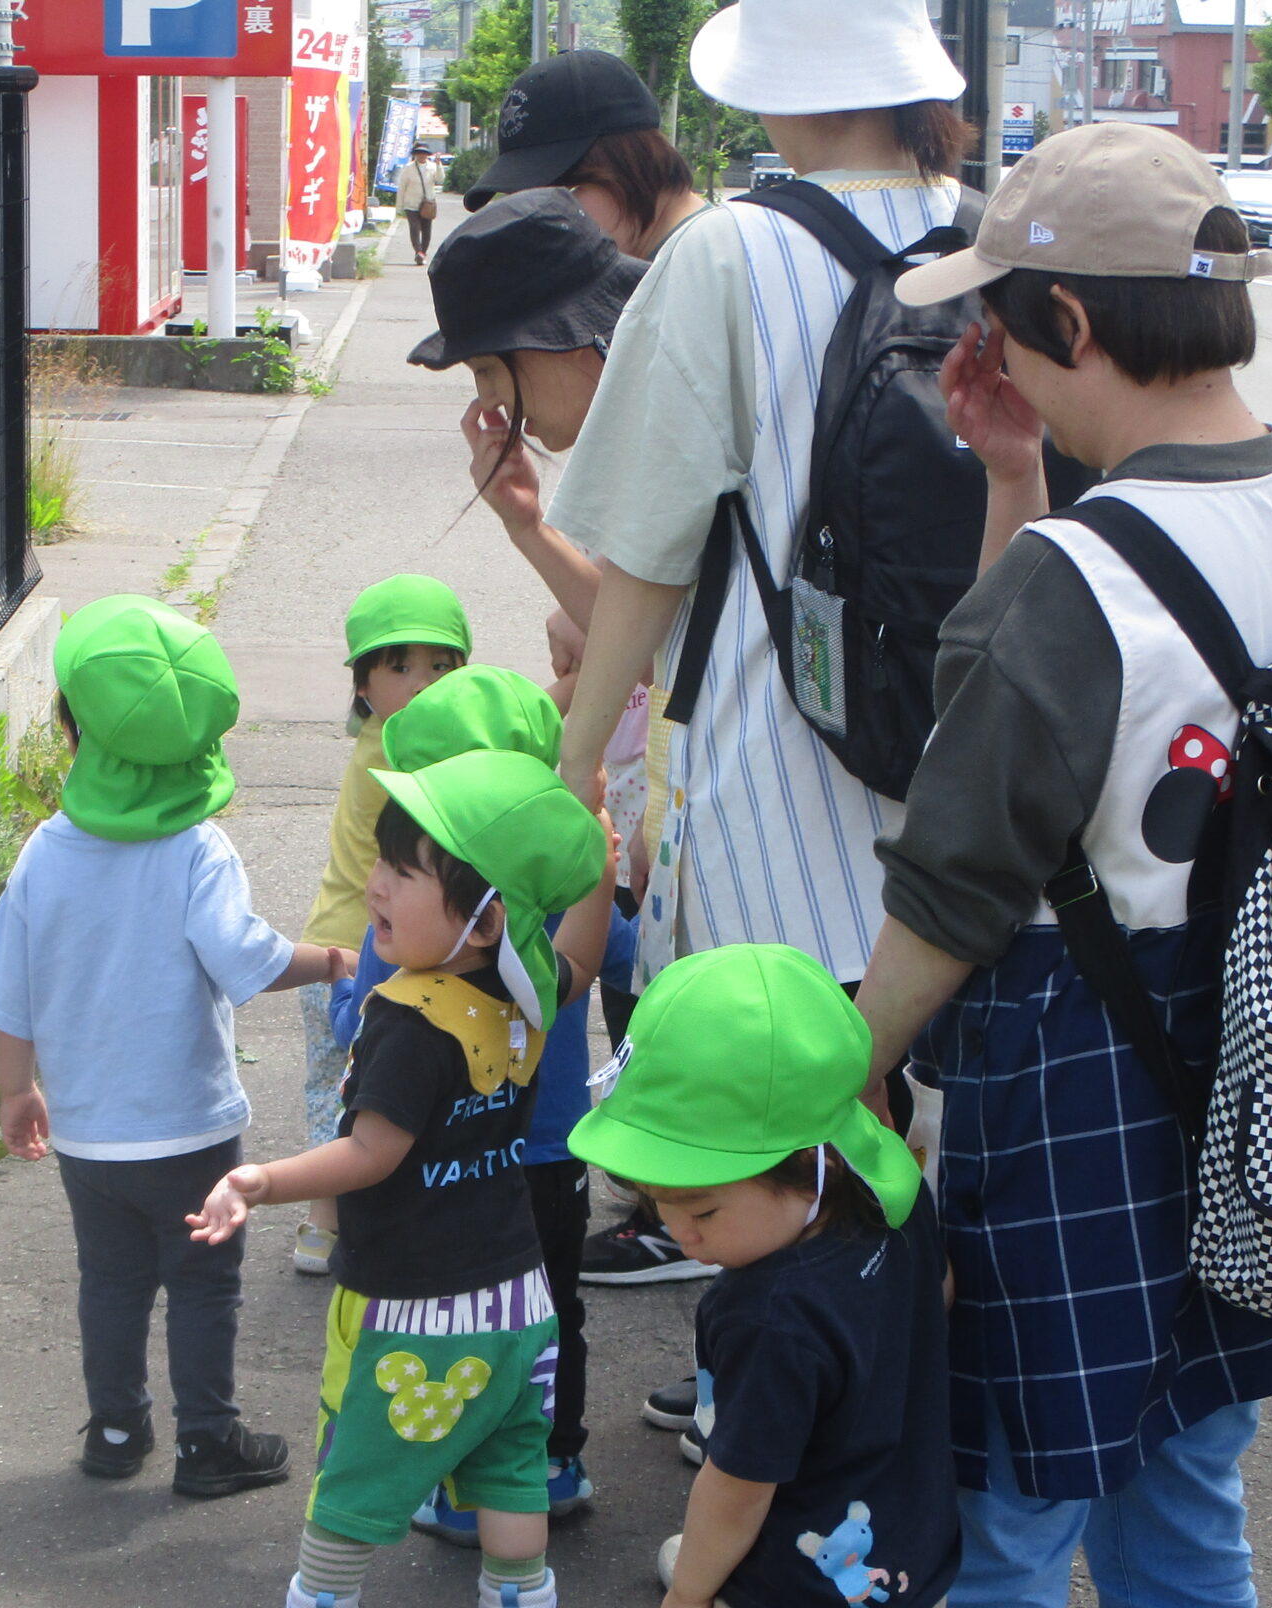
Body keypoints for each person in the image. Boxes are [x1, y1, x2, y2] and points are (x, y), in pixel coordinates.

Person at [848, 124, 1272, 1608]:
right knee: (1184, 1494)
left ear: (1069, 318)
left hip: (1077, 1080)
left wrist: (836, 1078)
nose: (990, 349)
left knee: (1005, 1530)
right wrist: (1022, 475)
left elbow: (955, 886)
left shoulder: (1073, 579)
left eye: (1006, 319)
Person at [547, 0, 977, 1402]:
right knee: (905, 1114)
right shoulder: (992, 238)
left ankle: (769, 1411)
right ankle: (889, 1402)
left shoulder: (728, 251)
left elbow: (646, 549)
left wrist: (574, 766)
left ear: (773, 86)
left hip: (765, 770)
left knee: (761, 1118)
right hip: (965, 768)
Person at [189, 750, 617, 1608]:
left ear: (483, 918)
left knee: (360, 1460)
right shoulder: (523, 992)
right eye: (381, 860)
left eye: (403, 870)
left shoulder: (410, 1020)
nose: (376, 885)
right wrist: (600, 861)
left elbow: (371, 1152)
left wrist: (259, 1180)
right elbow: (583, 960)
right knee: (510, 1464)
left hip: (409, 1309)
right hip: (517, 1300)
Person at [569, 943, 954, 1608]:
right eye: (657, 1198)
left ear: (800, 1164)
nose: (680, 1229)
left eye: (703, 1202)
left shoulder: (768, 1312)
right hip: (910, 1577)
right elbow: (937, 1302)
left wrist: (688, 1593)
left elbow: (735, 1485)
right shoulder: (892, 1192)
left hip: (794, 1604)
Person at [0, 597, 350, 1497]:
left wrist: (16, 1091)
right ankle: (206, 1442)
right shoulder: (196, 850)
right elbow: (244, 958)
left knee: (111, 1280)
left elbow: (10, 985)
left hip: (87, 1135)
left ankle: (115, 1427)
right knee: (204, 1283)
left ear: (72, 732)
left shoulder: (46, 851)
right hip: (187, 1128)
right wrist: (329, 959)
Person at [410, 189, 721, 1296]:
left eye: (489, 371)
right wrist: (526, 521)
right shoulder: (658, 401)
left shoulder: (676, 419)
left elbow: (650, 632)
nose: (491, 403)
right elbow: (650, 629)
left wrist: (575, 771)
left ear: (554, 341)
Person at [323, 667, 639, 1537]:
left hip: (443, 1175)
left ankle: (452, 1474)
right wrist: (598, 861)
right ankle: (550, 1462)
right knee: (549, 1312)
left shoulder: (412, 931)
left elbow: (360, 1031)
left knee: (444, 1318)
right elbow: (608, 959)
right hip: (552, 1155)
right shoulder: (544, 910)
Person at [292, 575, 471, 1278]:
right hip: (356, 950)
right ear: (363, 686)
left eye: (441, 666)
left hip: (363, 941)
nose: (422, 683)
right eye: (400, 667)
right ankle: (327, 1215)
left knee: (359, 1086)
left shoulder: (392, 736)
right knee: (352, 1086)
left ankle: (333, 1217)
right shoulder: (397, 749)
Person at [461, 49, 709, 262]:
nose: (543, 223)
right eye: (521, 203)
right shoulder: (649, 266)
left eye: (557, 196)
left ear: (629, 163)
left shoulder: (707, 263)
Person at [393, 142, 445, 265]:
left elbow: (440, 179)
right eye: (419, 153)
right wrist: (399, 206)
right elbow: (402, 187)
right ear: (415, 155)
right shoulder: (408, 168)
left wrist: (439, 165)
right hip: (411, 204)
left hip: (427, 204)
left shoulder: (432, 167)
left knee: (426, 230)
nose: (422, 155)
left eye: (424, 153)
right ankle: (418, 252)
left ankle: (423, 252)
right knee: (414, 228)